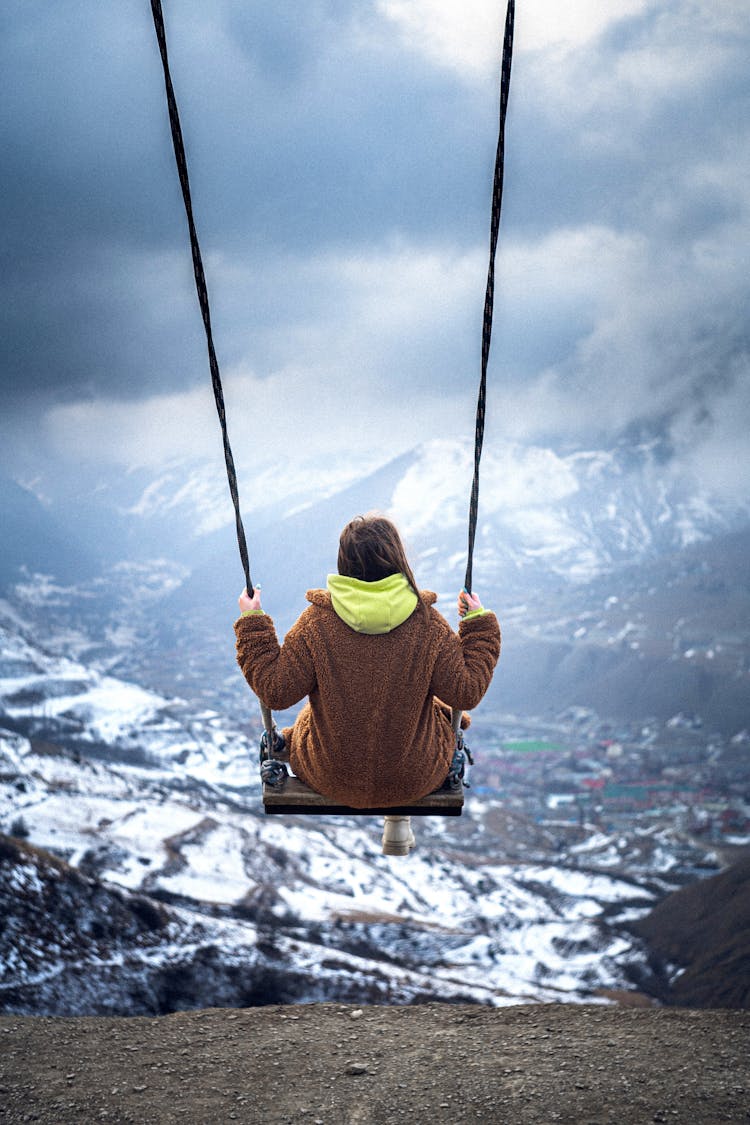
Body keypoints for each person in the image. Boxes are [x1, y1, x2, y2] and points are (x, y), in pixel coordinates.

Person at [235, 514, 501, 855]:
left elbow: (275, 690)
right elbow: (465, 691)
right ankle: (397, 822)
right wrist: (477, 625)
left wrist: (252, 622)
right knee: (432, 714)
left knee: (310, 717)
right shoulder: (427, 624)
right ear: (398, 559)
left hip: (330, 774)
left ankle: (393, 816)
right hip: (416, 775)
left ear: (343, 564)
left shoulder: (317, 623)